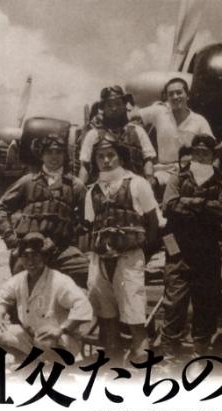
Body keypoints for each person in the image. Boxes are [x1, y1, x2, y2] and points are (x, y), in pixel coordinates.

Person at [84, 133, 159, 361]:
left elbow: (153, 223)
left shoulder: (138, 184)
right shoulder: (92, 191)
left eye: (111, 155)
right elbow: (90, 227)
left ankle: (141, 361)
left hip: (129, 256)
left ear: (121, 157)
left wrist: (143, 254)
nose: (106, 160)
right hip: (100, 259)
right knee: (106, 316)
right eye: (100, 156)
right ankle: (112, 363)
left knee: (135, 315)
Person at [160, 134, 222, 358]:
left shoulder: (221, 182)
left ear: (212, 155)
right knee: (174, 303)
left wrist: (188, 202)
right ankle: (169, 356)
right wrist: (205, 206)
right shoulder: (178, 178)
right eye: (197, 152)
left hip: (208, 252)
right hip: (178, 251)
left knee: (206, 303)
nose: (201, 157)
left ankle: (199, 353)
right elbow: (169, 206)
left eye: (205, 153)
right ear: (192, 153)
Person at [0, 134, 89, 288]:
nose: (54, 156)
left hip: (62, 250)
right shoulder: (28, 182)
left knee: (87, 273)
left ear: (65, 155)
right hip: (29, 248)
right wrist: (12, 239)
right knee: (21, 286)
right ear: (41, 155)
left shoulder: (76, 186)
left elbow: (87, 221)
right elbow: (0, 209)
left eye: (58, 152)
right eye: (49, 152)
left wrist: (64, 237)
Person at [0, 232, 93, 361]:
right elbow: (2, 299)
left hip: (60, 339)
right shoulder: (19, 279)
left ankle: (53, 365)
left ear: (44, 257)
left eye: (35, 255)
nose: (30, 261)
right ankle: (27, 359)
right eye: (25, 256)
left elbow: (83, 305)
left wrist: (62, 329)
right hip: (31, 335)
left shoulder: (59, 280)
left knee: (45, 342)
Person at [138, 77, 213, 187]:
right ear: (167, 98)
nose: (175, 97)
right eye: (171, 94)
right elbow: (132, 117)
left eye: (179, 93)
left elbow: (213, 150)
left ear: (188, 95)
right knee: (149, 185)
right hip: (163, 171)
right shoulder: (159, 113)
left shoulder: (199, 120)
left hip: (190, 171)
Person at [78, 85, 156, 186]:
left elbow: (148, 160)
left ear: (125, 105)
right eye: (109, 105)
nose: (114, 108)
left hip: (133, 186)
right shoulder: (93, 134)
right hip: (103, 187)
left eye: (118, 104)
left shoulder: (138, 131)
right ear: (103, 108)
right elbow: (84, 165)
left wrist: (149, 179)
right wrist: (81, 185)